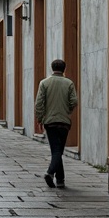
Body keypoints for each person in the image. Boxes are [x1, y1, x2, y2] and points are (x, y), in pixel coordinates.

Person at [34, 58, 78, 188]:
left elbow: (39, 103)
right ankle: (60, 180)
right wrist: (67, 110)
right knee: (58, 150)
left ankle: (50, 173)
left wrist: (40, 118)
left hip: (50, 121)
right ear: (64, 69)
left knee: (56, 150)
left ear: (52, 68)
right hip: (64, 122)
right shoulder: (69, 83)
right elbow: (74, 101)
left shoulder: (44, 83)